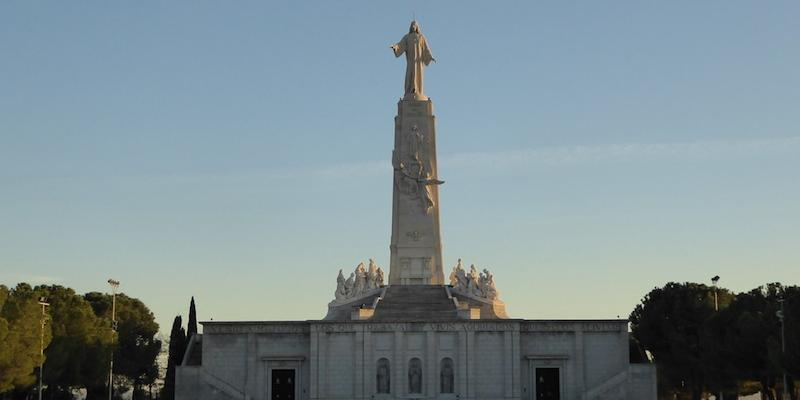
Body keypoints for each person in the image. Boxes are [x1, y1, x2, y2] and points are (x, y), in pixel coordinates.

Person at [391, 21, 435, 99]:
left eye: (415, 25)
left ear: (417, 26)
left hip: (418, 62)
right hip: (411, 62)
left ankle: (418, 91)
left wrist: (430, 57)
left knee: (418, 75)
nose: (413, 26)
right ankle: (409, 91)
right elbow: (400, 45)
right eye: (412, 25)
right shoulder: (407, 37)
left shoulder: (421, 37)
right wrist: (395, 47)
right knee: (409, 76)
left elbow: (426, 48)